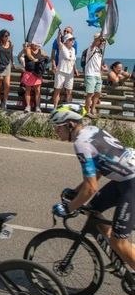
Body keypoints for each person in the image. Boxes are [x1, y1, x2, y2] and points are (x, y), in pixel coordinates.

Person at [50, 104, 135, 271]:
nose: (56, 131)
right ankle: (120, 253)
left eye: (58, 127)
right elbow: (99, 169)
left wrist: (68, 208)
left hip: (131, 184)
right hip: (124, 179)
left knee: (119, 242)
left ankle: (121, 248)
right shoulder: (92, 130)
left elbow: (91, 188)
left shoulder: (81, 144)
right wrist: (76, 192)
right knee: (92, 209)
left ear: (70, 125)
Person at [52, 30, 78, 110]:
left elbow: (73, 61)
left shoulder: (73, 50)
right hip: (61, 72)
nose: (72, 41)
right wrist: (59, 35)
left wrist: (75, 69)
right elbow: (58, 41)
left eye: (72, 39)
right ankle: (55, 108)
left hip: (70, 73)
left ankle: (68, 108)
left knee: (69, 91)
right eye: (70, 40)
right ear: (66, 41)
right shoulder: (62, 47)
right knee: (58, 90)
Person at [83, 33, 107, 118]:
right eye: (101, 40)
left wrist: (103, 68)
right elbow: (95, 42)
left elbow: (98, 63)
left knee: (97, 93)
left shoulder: (100, 51)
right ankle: (87, 111)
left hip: (98, 75)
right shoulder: (91, 48)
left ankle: (93, 109)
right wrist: (101, 34)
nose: (102, 42)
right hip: (90, 74)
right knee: (90, 93)